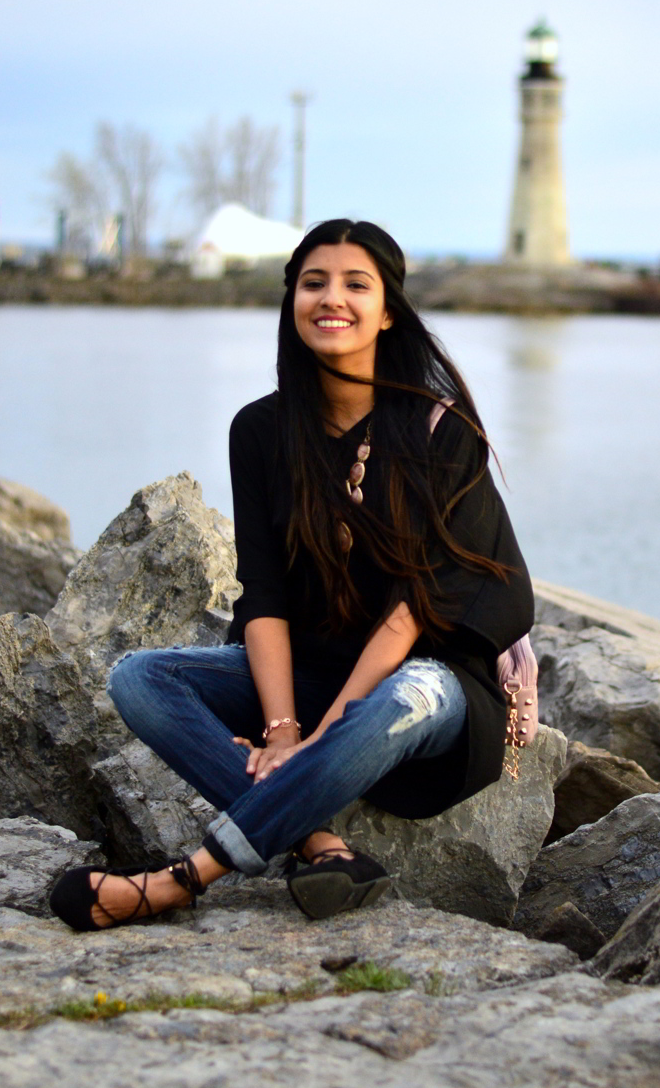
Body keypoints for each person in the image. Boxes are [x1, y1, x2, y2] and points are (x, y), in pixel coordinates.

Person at [49, 219, 535, 931]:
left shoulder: (441, 431)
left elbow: (412, 609)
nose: (331, 298)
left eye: (355, 284)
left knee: (400, 695)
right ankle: (320, 845)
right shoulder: (260, 430)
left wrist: (323, 735)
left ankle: (180, 881)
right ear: (292, 301)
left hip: (432, 688)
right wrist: (280, 729)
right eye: (313, 283)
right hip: (313, 672)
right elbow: (265, 594)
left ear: (388, 311)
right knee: (140, 678)